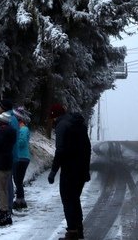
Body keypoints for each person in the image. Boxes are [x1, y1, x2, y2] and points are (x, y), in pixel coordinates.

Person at [47, 102, 91, 240]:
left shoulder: (62, 126)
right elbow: (87, 148)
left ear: (55, 116)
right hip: (81, 169)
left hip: (69, 170)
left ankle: (72, 232)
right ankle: (78, 230)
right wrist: (85, 168)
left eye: (51, 118)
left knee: (68, 200)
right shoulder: (78, 124)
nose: (52, 121)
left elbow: (60, 150)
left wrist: (53, 171)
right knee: (75, 199)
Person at [12, 108, 32, 210]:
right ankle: (20, 199)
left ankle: (20, 200)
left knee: (17, 179)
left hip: (21, 157)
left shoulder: (23, 129)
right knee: (18, 180)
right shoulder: (22, 129)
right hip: (21, 157)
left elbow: (22, 142)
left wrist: (12, 143)